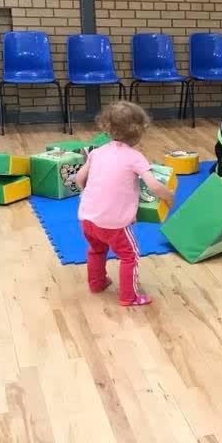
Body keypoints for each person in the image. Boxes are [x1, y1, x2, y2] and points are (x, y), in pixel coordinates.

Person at [76, 101, 176, 307]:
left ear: (106, 127)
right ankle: (129, 296)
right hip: (114, 225)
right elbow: (154, 186)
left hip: (87, 218)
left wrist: (93, 193)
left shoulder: (97, 152)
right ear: (139, 133)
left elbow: (79, 179)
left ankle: (97, 283)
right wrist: (169, 196)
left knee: (96, 250)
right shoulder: (135, 157)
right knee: (130, 256)